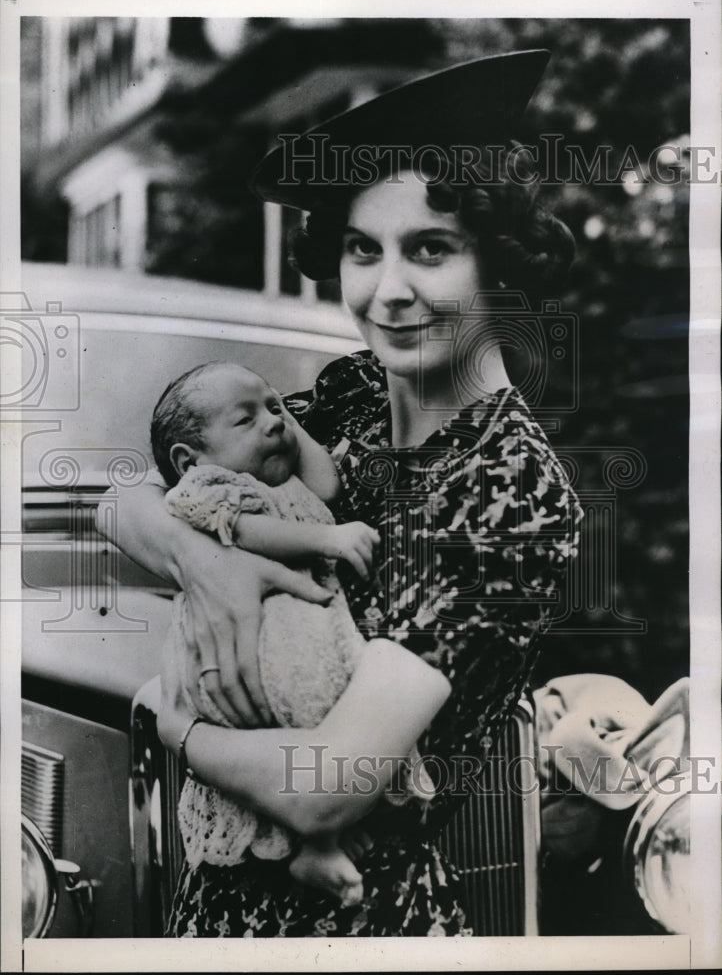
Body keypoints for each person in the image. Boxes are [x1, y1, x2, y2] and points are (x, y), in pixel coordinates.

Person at [102, 49, 584, 936]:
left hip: (360, 924)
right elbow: (131, 494)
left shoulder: (511, 485)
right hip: (213, 914)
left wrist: (169, 725)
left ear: (497, 262)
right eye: (365, 249)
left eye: (430, 250)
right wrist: (204, 564)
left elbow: (330, 788)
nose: (388, 291)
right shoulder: (351, 393)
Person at [149, 360, 433, 906]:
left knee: (331, 721)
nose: (272, 423)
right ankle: (318, 843)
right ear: (190, 459)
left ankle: (327, 835)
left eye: (275, 408)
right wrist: (327, 542)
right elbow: (248, 531)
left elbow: (328, 480)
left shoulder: (294, 482)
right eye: (244, 419)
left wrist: (282, 421)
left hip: (309, 631)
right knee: (299, 725)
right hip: (261, 640)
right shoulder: (210, 488)